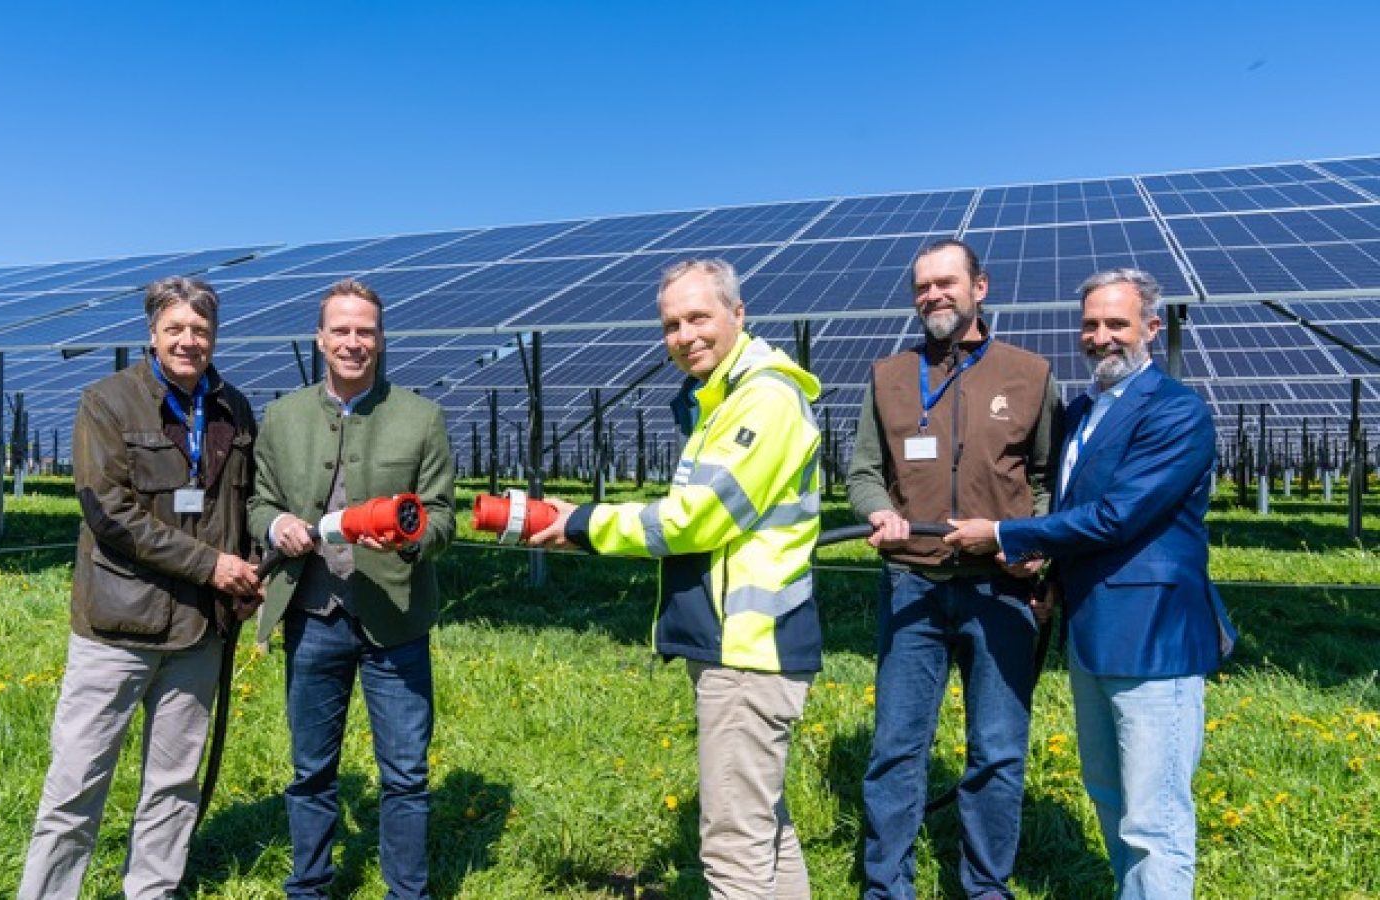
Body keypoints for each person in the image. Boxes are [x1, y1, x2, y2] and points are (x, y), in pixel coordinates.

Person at [529, 258, 822, 899]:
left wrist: (584, 522)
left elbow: (697, 519)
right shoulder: (722, 400)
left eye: (699, 317)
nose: (684, 334)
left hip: (748, 651)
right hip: (740, 647)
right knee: (765, 829)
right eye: (671, 324)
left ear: (738, 315)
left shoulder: (763, 399)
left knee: (733, 850)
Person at [946, 268, 1236, 900]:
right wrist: (1049, 571)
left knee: (1153, 816)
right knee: (1109, 796)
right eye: (1091, 325)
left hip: (1154, 639)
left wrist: (1003, 535)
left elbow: (1119, 515)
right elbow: (1074, 508)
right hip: (1092, 630)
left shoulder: (1176, 412)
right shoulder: (1082, 411)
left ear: (1152, 329)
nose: (1101, 337)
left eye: (1117, 324)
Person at [19, 276, 262, 900]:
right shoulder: (107, 402)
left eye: (201, 330)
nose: (189, 341)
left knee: (175, 783)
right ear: (151, 333)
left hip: (200, 631)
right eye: (175, 328)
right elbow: (109, 512)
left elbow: (246, 504)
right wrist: (211, 566)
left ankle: (152, 891)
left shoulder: (233, 407)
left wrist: (248, 571)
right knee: (77, 781)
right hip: (118, 626)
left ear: (214, 335)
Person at [846, 238, 1062, 900]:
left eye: (946, 282)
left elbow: (1052, 479)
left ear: (980, 288)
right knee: (896, 750)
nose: (933, 295)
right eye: (921, 286)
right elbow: (862, 471)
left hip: (999, 590)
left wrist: (1034, 546)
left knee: (996, 752)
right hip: (913, 586)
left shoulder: (1031, 374)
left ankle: (985, 888)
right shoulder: (888, 375)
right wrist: (879, 511)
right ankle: (888, 888)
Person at [248, 278, 456, 900]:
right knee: (310, 771)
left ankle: (407, 894)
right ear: (320, 339)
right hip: (310, 617)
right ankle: (308, 887)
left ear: (381, 339)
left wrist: (410, 540)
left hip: (394, 619)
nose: (353, 342)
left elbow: (443, 516)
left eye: (365, 331)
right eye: (341, 330)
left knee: (405, 776)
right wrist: (276, 523)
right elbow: (257, 503)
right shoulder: (282, 419)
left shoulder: (421, 418)